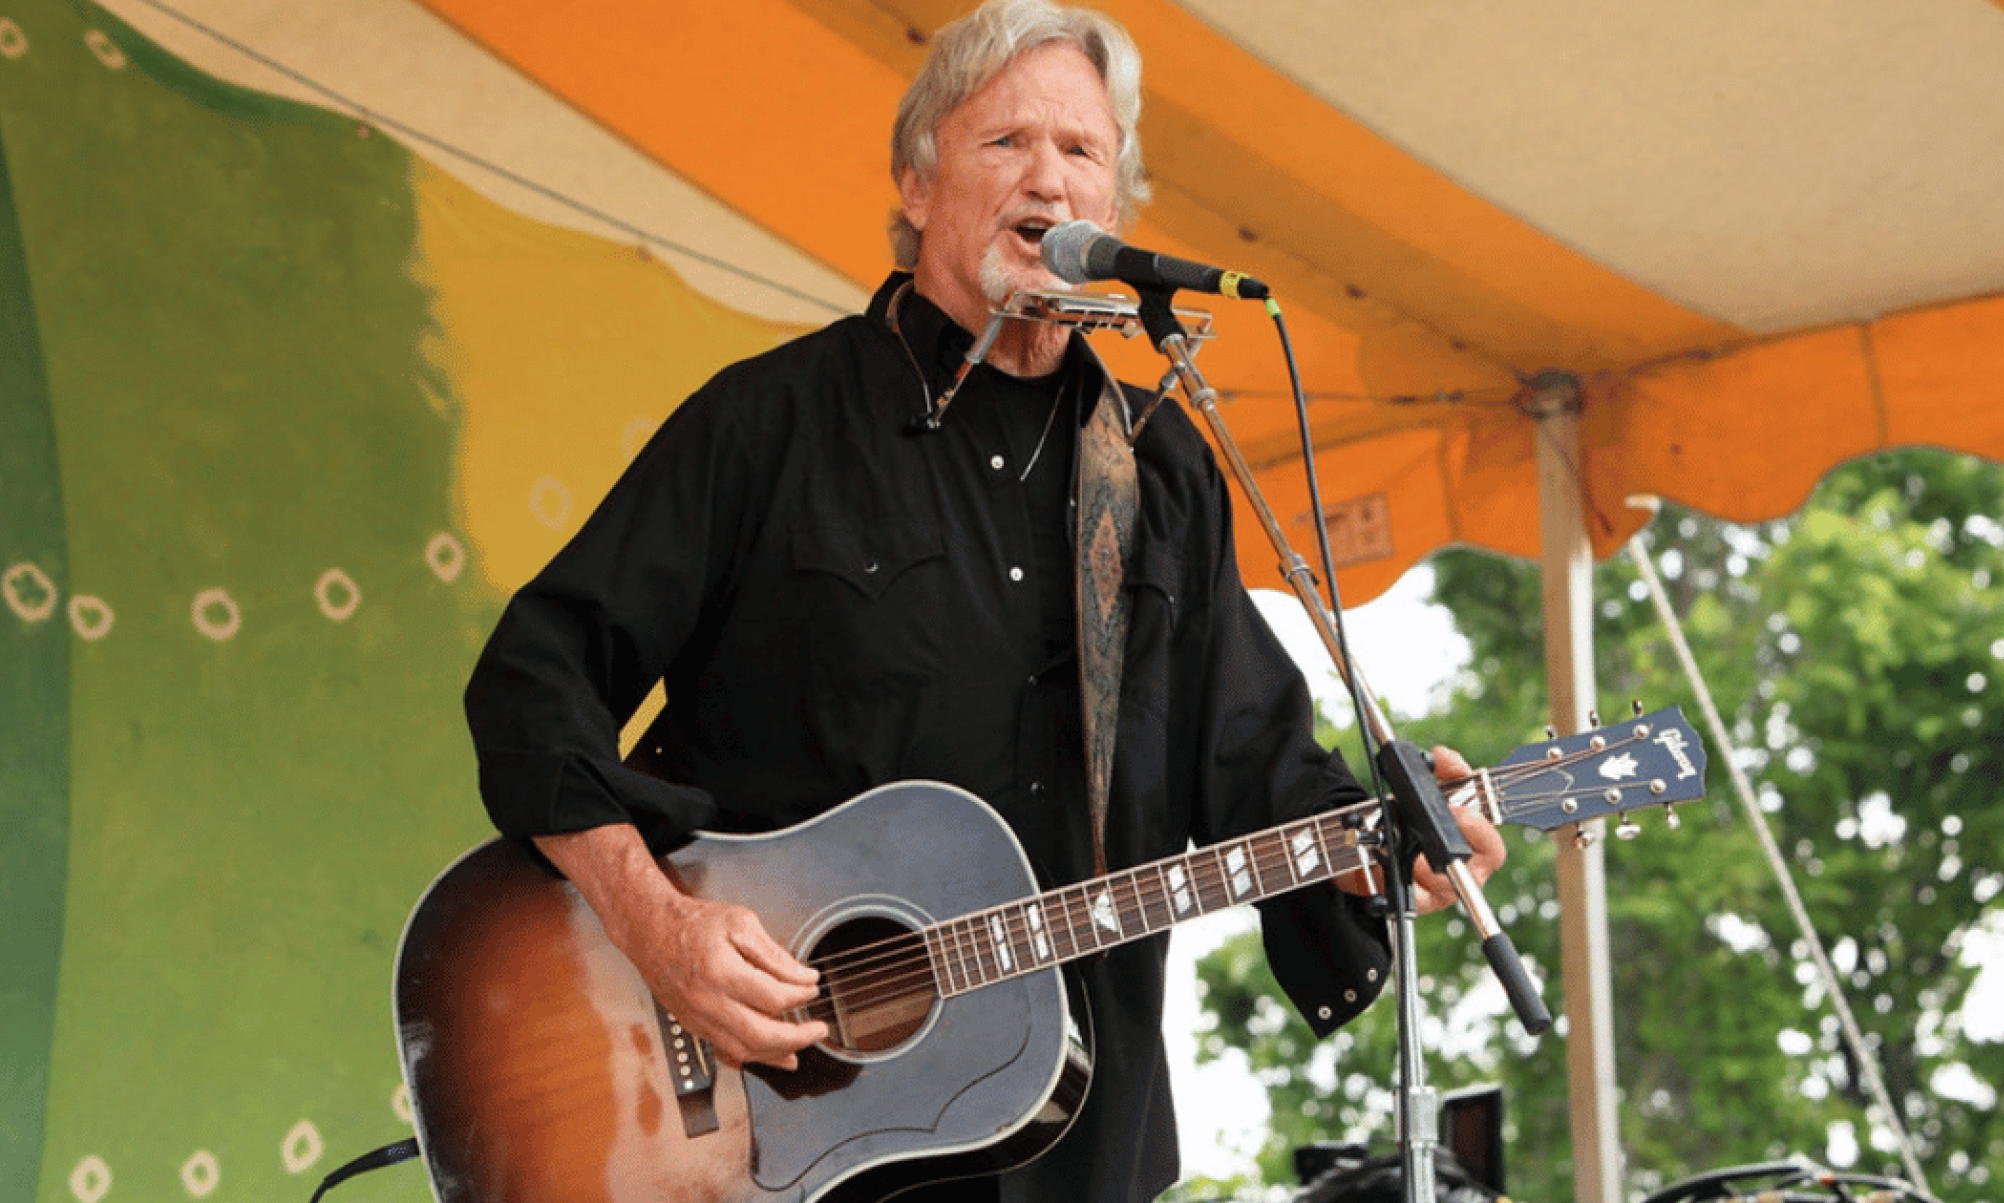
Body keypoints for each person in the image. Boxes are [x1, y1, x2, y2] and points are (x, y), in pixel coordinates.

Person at [462, 1, 1506, 1199]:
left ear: (1115, 209)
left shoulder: (1162, 471)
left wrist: (1377, 848)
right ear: (916, 182)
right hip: (770, 1134)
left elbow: (1258, 761)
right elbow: (534, 678)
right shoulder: (770, 423)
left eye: (1084, 153)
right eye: (1006, 142)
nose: (1049, 182)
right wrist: (655, 919)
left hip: (1075, 1136)